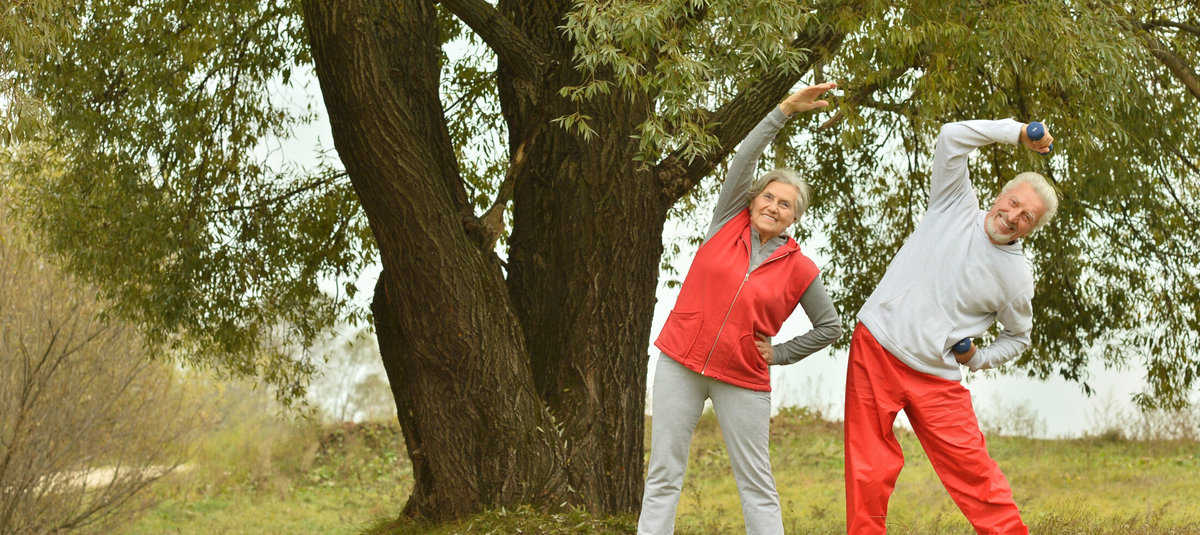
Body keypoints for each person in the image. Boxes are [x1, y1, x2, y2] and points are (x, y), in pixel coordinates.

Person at [639, 82, 843, 535]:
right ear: (751, 200)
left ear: (794, 217)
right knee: (664, 473)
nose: (773, 206)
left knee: (756, 485)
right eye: (767, 196)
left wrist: (780, 353)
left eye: (785, 204)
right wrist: (783, 110)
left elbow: (830, 327)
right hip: (680, 362)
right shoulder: (726, 223)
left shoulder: (800, 268)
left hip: (743, 378)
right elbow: (743, 159)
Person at [843, 118, 1058, 534]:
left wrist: (978, 359)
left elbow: (1018, 337)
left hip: (936, 377)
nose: (1013, 216)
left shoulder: (1016, 277)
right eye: (1013, 202)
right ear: (1000, 195)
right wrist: (1018, 133)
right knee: (868, 468)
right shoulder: (953, 203)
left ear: (1032, 229)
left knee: (975, 474)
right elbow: (951, 137)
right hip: (877, 346)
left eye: (1027, 216)